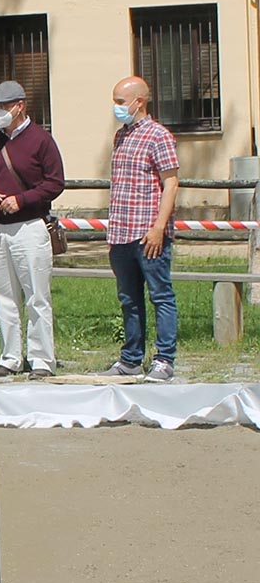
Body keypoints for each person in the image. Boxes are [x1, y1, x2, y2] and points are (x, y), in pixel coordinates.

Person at [0, 81, 65, 379]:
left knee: (36, 295)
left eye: (2, 107)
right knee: (2, 295)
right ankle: (10, 357)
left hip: (30, 226)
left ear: (19, 106)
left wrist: (21, 200)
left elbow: (55, 182)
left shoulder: (41, 140)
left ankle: (41, 359)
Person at [99, 76, 179, 382]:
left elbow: (170, 183)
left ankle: (164, 359)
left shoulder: (159, 136)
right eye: (115, 101)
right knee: (128, 298)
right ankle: (131, 358)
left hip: (148, 232)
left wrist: (159, 227)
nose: (117, 108)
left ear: (139, 102)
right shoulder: (121, 136)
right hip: (121, 233)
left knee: (160, 295)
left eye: (121, 102)